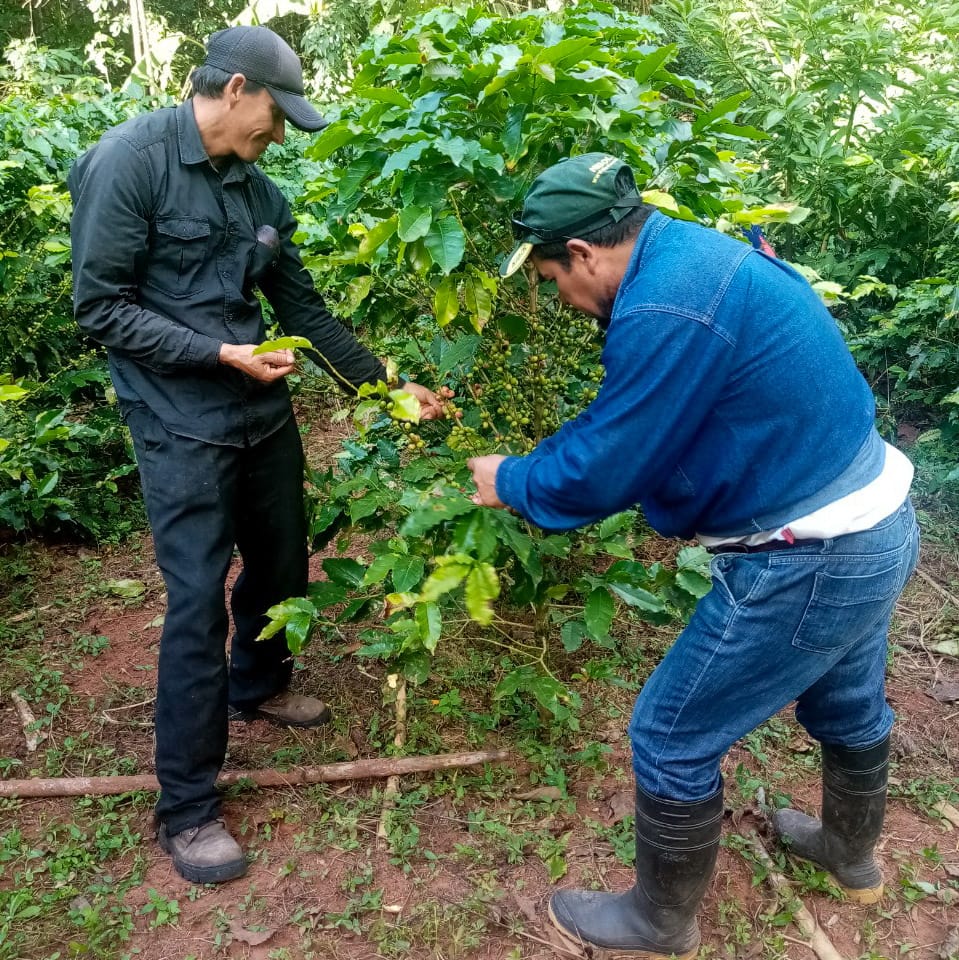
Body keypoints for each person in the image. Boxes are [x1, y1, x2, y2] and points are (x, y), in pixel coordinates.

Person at [467, 153, 918, 959]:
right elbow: (633, 416)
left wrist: (514, 479)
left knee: (670, 736)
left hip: (811, 557)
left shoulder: (668, 307)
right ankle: (849, 854)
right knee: (845, 707)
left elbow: (608, 463)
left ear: (580, 254)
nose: (560, 301)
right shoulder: (694, 256)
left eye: (548, 280)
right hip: (873, 521)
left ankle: (657, 921)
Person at [69, 25, 446, 885]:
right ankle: (189, 807)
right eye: (277, 116)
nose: (279, 135)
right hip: (178, 417)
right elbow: (101, 307)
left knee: (282, 560)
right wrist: (214, 354)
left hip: (261, 412)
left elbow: (302, 310)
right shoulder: (128, 163)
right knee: (197, 597)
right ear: (234, 89)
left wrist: (388, 384)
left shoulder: (259, 194)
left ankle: (260, 682)